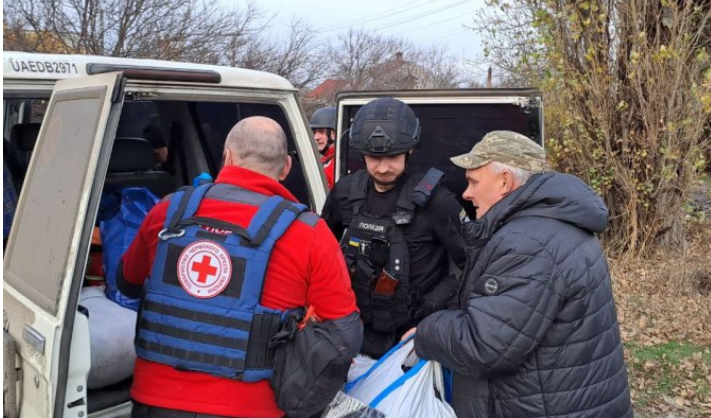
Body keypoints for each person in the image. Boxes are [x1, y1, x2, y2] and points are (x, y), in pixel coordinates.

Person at [118, 116, 362, 418]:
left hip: (154, 402)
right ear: (286, 167)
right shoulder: (309, 232)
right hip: (254, 408)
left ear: (227, 157)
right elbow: (345, 332)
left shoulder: (168, 210)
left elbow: (126, 282)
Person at [408, 131, 633, 418]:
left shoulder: (528, 243)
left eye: (473, 182)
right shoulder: (551, 224)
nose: (466, 193)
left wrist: (428, 331)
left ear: (505, 181)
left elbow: (485, 346)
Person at [321, 98, 467, 358]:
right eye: (374, 158)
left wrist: (431, 312)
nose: (383, 167)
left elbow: (470, 264)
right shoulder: (345, 191)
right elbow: (321, 253)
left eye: (392, 157)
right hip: (354, 333)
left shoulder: (436, 201)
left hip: (413, 338)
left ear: (410, 150)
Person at [309, 107, 337, 188]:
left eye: (321, 132)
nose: (316, 137)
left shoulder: (337, 164)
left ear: (334, 133)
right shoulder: (324, 161)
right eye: (314, 132)